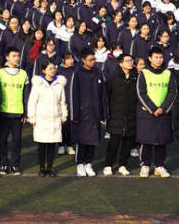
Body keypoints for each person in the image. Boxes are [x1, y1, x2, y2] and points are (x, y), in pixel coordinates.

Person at [136, 47, 178, 178]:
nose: (159, 60)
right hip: (147, 114)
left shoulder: (168, 73)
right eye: (156, 57)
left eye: (160, 57)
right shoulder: (144, 73)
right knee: (147, 140)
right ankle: (145, 165)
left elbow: (173, 92)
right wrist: (153, 109)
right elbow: (140, 93)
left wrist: (163, 108)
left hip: (163, 113)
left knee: (162, 140)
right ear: (150, 58)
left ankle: (160, 165)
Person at [67, 48, 104, 177]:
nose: (93, 62)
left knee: (93, 140)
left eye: (94, 59)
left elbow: (102, 94)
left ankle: (89, 163)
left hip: (95, 112)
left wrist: (103, 112)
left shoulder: (98, 72)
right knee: (82, 140)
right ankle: (80, 164)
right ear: (83, 60)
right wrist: (74, 114)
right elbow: (73, 95)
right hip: (82, 113)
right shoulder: (77, 73)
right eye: (90, 60)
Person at [27, 60, 67, 177]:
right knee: (42, 145)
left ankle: (50, 167)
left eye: (54, 68)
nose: (53, 70)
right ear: (44, 70)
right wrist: (32, 117)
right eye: (50, 68)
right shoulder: (39, 85)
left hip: (55, 118)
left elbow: (62, 101)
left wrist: (63, 115)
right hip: (41, 119)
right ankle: (41, 168)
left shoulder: (59, 84)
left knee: (51, 145)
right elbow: (32, 102)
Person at [103, 53, 138, 176]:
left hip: (131, 114)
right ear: (120, 63)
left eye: (131, 60)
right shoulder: (113, 77)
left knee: (128, 142)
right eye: (127, 61)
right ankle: (108, 165)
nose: (130, 63)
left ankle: (123, 165)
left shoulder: (136, 77)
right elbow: (107, 95)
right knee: (114, 142)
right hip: (116, 115)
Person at [0, 48, 27, 175]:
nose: (17, 58)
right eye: (14, 56)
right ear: (7, 57)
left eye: (18, 56)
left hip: (18, 112)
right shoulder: (0, 73)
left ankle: (15, 165)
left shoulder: (24, 74)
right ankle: (3, 164)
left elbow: (26, 94)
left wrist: (26, 112)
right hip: (3, 112)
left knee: (17, 141)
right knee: (2, 140)